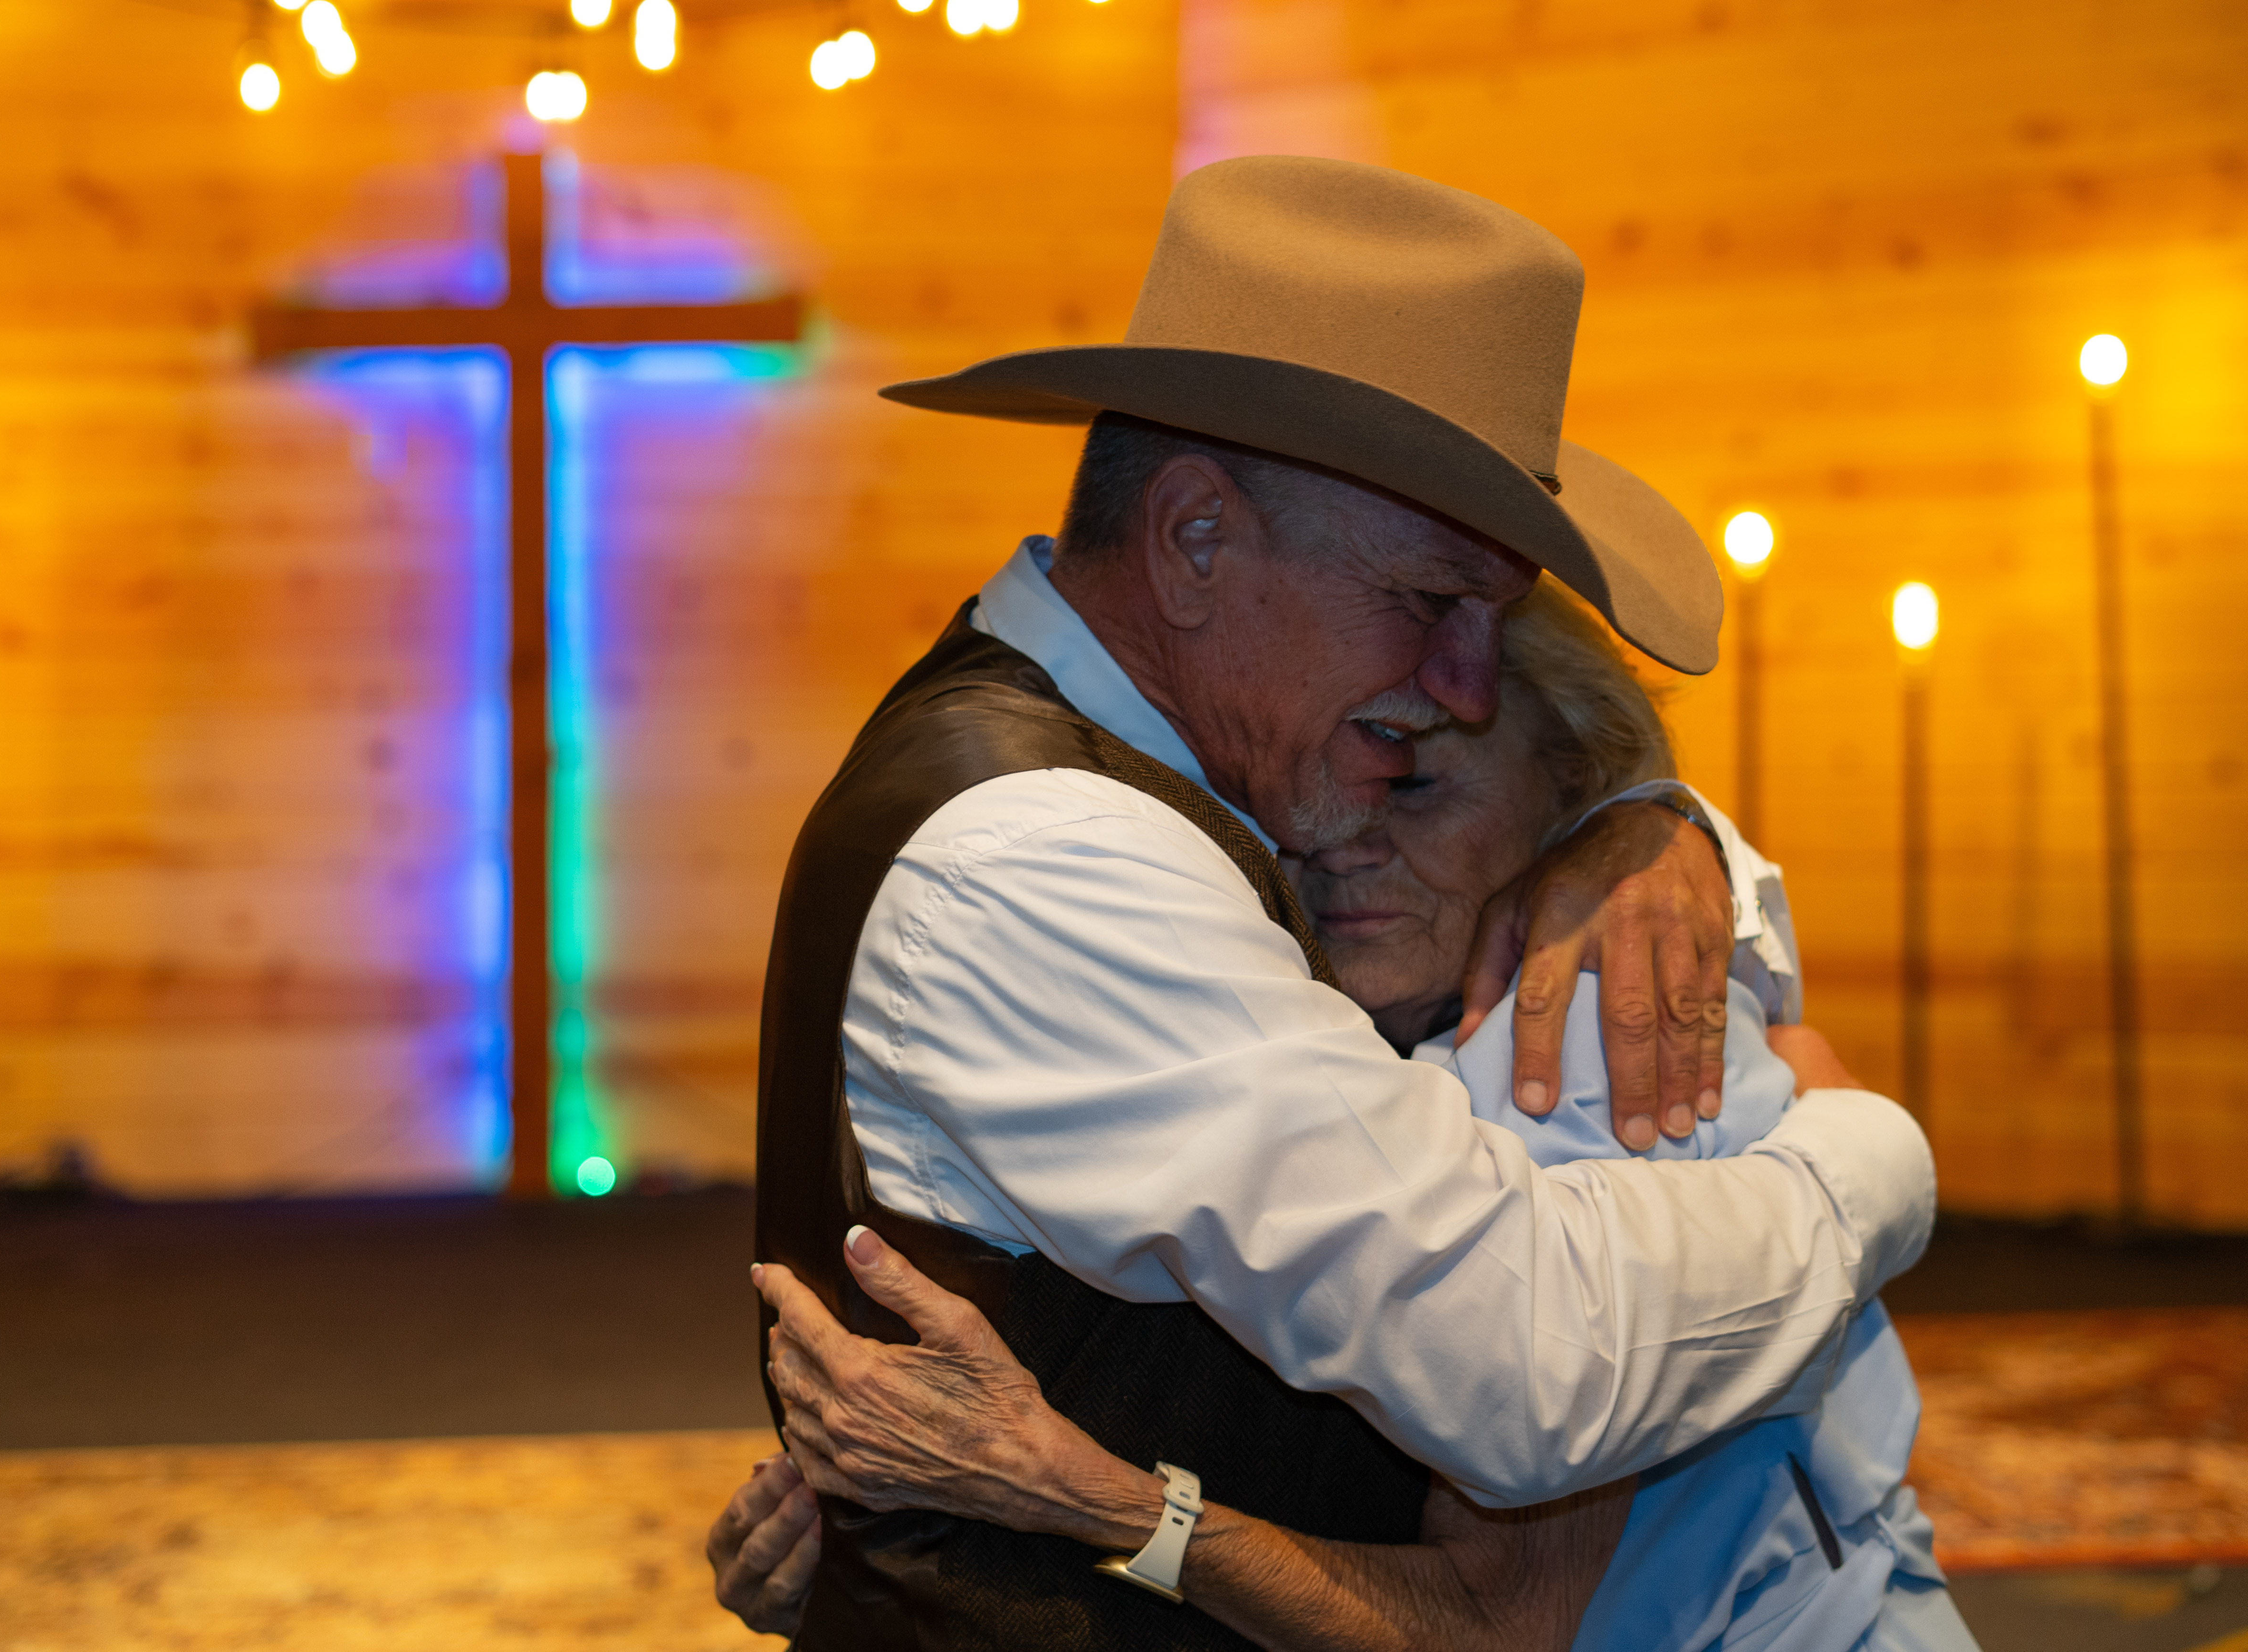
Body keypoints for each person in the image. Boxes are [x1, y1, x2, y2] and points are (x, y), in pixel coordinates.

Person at [748, 154, 1935, 1649]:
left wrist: (1648, 822)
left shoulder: (1192, 787)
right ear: (1194, 541)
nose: (1465, 684)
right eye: (1433, 602)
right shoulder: (1057, 850)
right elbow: (1530, 1367)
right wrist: (1873, 1159)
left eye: (1490, 629)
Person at [720, 585, 1974, 1648]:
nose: (1341, 844)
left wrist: (1076, 1494)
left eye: (1414, 785)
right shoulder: (1369, 1031)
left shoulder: (1590, 1064)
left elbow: (1494, 1626)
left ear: (1571, 799)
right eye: (1325, 792)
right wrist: (875, 1531)